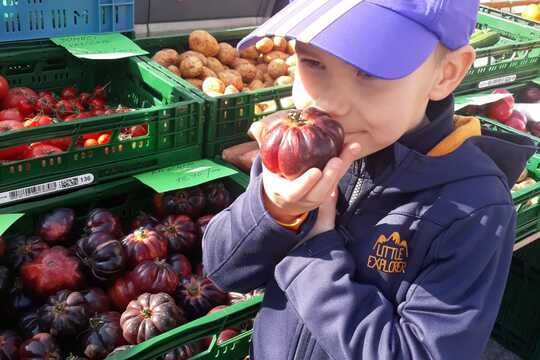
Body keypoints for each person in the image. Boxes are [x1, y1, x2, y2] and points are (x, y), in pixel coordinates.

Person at [203, 0, 536, 359]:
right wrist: (275, 209)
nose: (330, 103)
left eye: (371, 72)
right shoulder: (299, 150)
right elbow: (223, 268)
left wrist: (313, 252)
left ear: (445, 74)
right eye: (313, 62)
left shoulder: (476, 209)